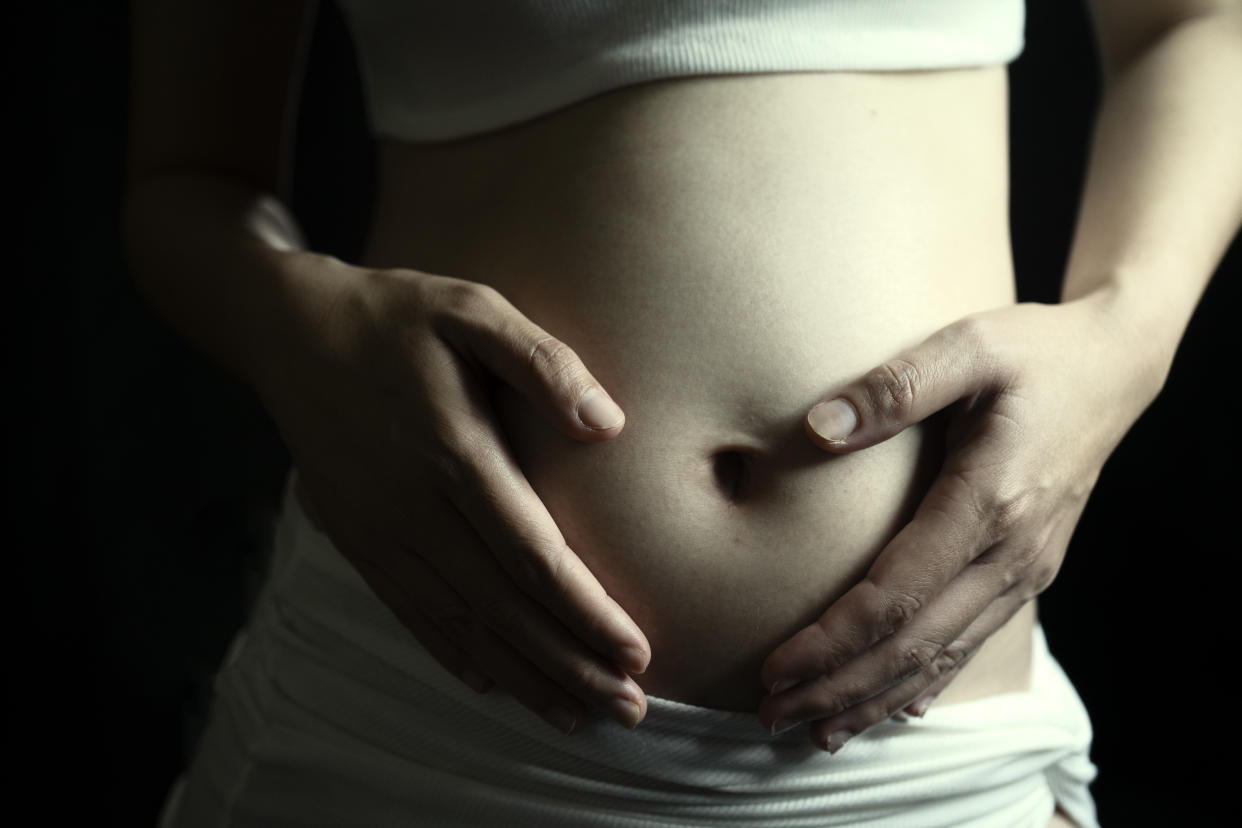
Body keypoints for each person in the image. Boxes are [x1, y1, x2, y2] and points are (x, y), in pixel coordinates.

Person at [122, 1, 1242, 825]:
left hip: (921, 750)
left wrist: (1124, 340)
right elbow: (188, 180)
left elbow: (1198, 24)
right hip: (421, 711)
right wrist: (297, 329)